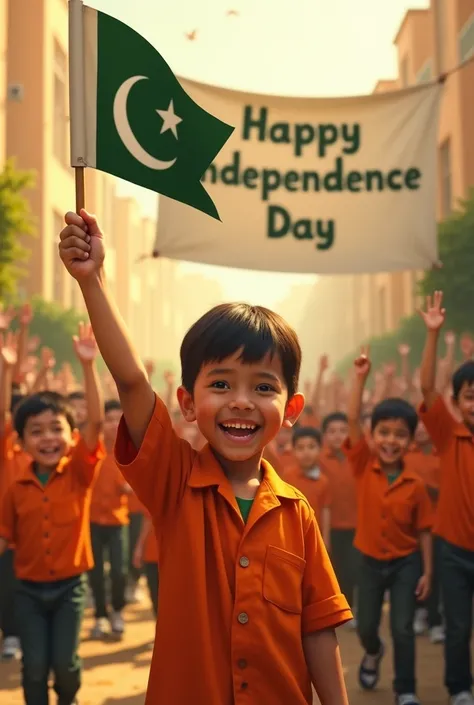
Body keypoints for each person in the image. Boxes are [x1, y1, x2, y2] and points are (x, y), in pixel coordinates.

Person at [58, 208, 352, 705]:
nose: (241, 401)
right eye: (220, 384)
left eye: (263, 387)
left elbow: (318, 626)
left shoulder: (296, 513)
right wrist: (92, 282)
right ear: (188, 403)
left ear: (292, 408)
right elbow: (131, 380)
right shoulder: (174, 482)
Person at [0, 387, 102, 705]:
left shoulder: (79, 475)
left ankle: (67, 699)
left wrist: (88, 364)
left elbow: (96, 423)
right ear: (21, 442)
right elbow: (4, 536)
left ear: (72, 436)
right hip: (28, 592)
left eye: (56, 429)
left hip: (70, 590)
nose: (47, 438)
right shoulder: (15, 491)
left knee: (65, 665)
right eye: (36, 431)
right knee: (33, 669)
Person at [344, 346, 433, 705]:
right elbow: (351, 420)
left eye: (399, 434)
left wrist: (427, 571)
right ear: (373, 434)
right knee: (366, 627)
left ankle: (406, 689)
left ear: (410, 441)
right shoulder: (364, 464)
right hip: (368, 561)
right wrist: (361, 379)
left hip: (406, 564)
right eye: (384, 432)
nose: (391, 441)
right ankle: (373, 651)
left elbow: (425, 530)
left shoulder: (416, 485)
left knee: (403, 628)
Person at [418, 291, 474, 705]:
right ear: (456, 403)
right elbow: (426, 386)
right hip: (453, 548)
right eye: (470, 396)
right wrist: (434, 335)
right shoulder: (448, 434)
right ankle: (459, 688)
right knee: (457, 625)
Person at [88, 399, 129, 640]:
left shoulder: (129, 449)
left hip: (118, 521)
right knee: (95, 572)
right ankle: (100, 615)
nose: (114, 425)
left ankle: (118, 611)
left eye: (119, 419)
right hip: (91, 521)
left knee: (118, 570)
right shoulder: (94, 449)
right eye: (110, 419)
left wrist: (129, 488)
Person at [405, 421, 443, 644]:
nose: (420, 431)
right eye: (416, 428)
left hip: (438, 525)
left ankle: (435, 620)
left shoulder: (442, 455)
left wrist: (428, 489)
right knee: (415, 571)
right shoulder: (407, 456)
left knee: (434, 573)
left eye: (424, 427)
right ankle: (418, 612)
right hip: (410, 527)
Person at [321, 412, 358, 624]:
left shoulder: (358, 458)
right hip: (329, 525)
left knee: (351, 569)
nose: (338, 436)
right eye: (332, 432)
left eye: (343, 431)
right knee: (331, 570)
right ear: (325, 435)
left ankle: (350, 609)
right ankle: (332, 610)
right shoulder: (319, 458)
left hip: (355, 524)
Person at [284, 427, 331, 548]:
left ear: (320, 449)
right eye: (300, 448)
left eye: (311, 447)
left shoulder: (323, 481)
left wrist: (326, 540)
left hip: (314, 535)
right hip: (291, 535)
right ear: (293, 451)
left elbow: (325, 510)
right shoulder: (287, 477)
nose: (306, 452)